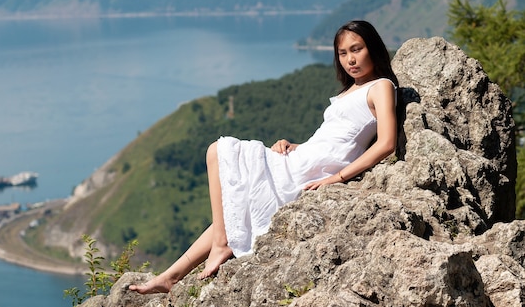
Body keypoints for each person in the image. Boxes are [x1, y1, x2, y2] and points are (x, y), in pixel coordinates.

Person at [129, 20, 398, 294]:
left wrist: (337, 178)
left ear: (372, 48)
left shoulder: (381, 87)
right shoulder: (348, 91)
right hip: (302, 159)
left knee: (218, 151)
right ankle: (172, 276)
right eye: (343, 53)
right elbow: (331, 139)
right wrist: (294, 145)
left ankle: (219, 246)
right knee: (235, 210)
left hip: (311, 174)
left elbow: (386, 143)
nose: (350, 60)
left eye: (357, 49)